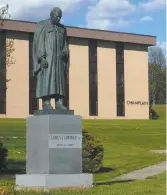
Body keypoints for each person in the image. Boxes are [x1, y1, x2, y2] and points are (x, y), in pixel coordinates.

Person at [32, 7, 69, 110]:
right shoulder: (42, 25)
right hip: (48, 59)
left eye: (60, 17)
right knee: (47, 79)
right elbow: (39, 42)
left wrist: (65, 51)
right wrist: (42, 57)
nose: (59, 19)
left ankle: (59, 103)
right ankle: (46, 103)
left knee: (60, 80)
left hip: (59, 60)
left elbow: (65, 44)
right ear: (51, 14)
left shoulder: (62, 28)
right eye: (57, 16)